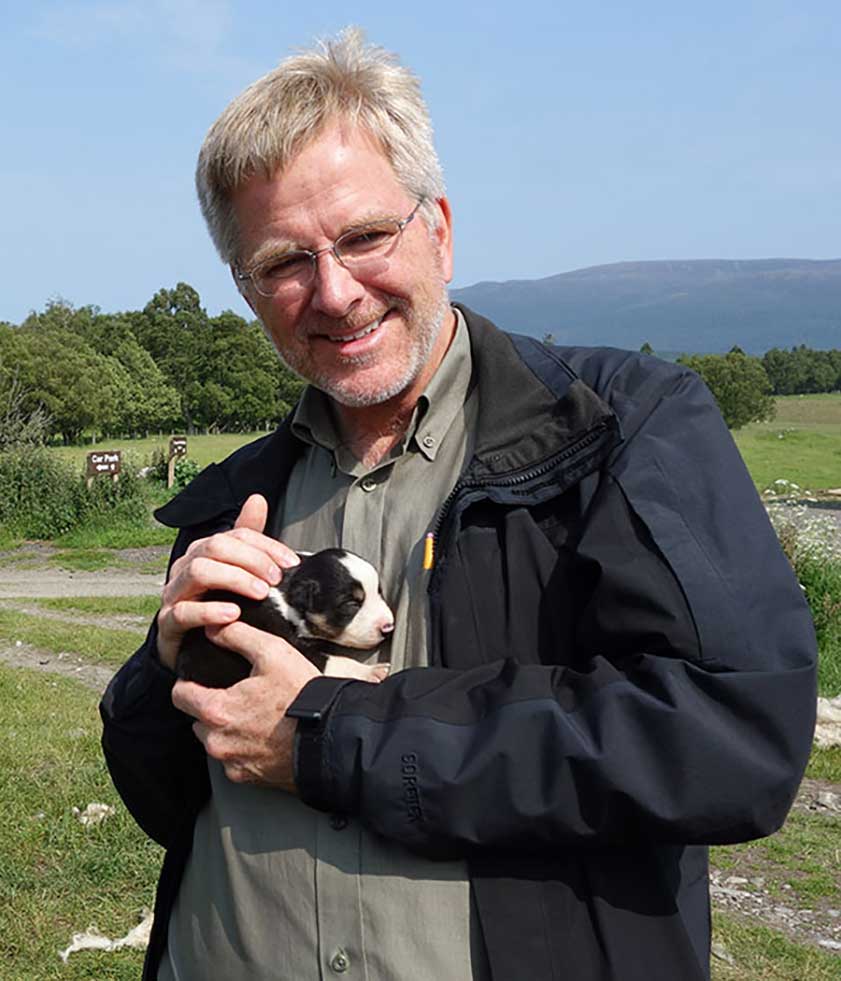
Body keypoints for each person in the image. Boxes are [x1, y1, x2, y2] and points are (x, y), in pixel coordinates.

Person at [101, 28, 817, 981]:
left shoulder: (624, 428)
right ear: (245, 288)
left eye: (364, 236)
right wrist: (164, 664)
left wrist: (335, 735)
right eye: (283, 262)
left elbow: (731, 740)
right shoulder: (236, 500)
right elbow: (171, 801)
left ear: (437, 225)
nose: (335, 291)